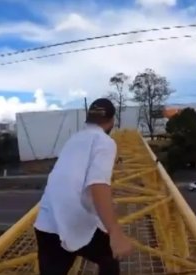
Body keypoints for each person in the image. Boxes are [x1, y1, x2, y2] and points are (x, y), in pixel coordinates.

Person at [34, 98, 132, 275]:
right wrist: (115, 233)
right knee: (110, 259)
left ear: (88, 119)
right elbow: (98, 185)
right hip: (74, 220)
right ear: (111, 121)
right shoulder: (105, 142)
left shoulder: (73, 139)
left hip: (47, 222)